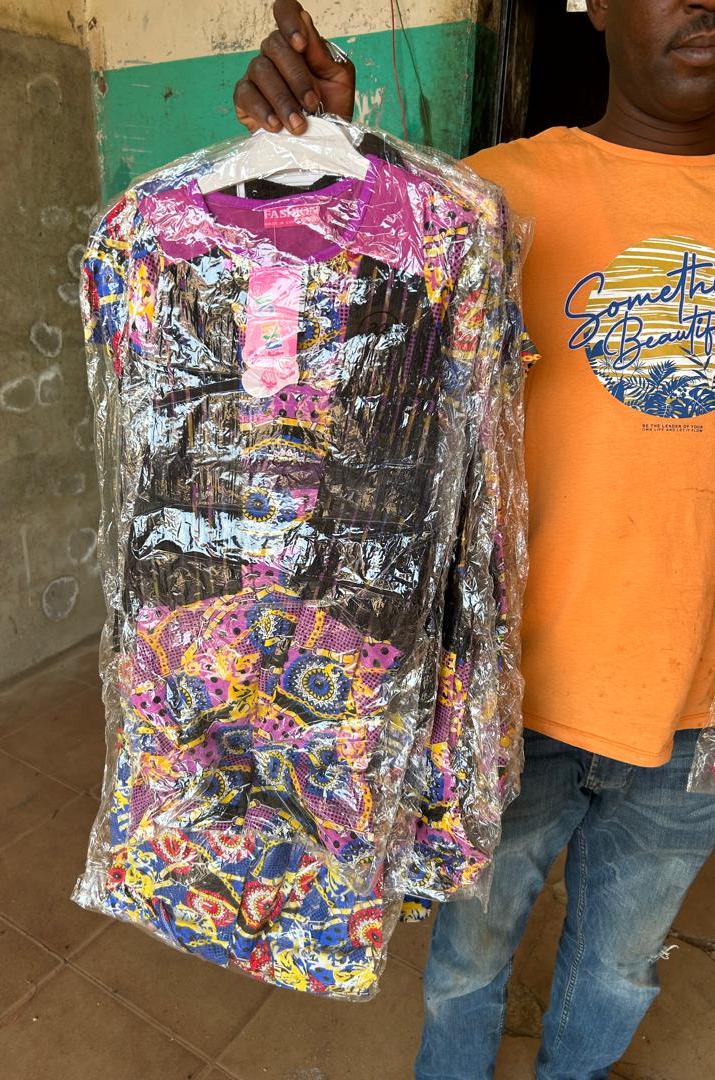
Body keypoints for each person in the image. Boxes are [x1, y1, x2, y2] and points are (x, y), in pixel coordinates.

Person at [232, 3, 715, 1077]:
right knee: (468, 954)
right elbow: (325, 380)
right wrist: (330, 171)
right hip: (504, 708)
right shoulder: (485, 198)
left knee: (620, 967)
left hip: (698, 724)